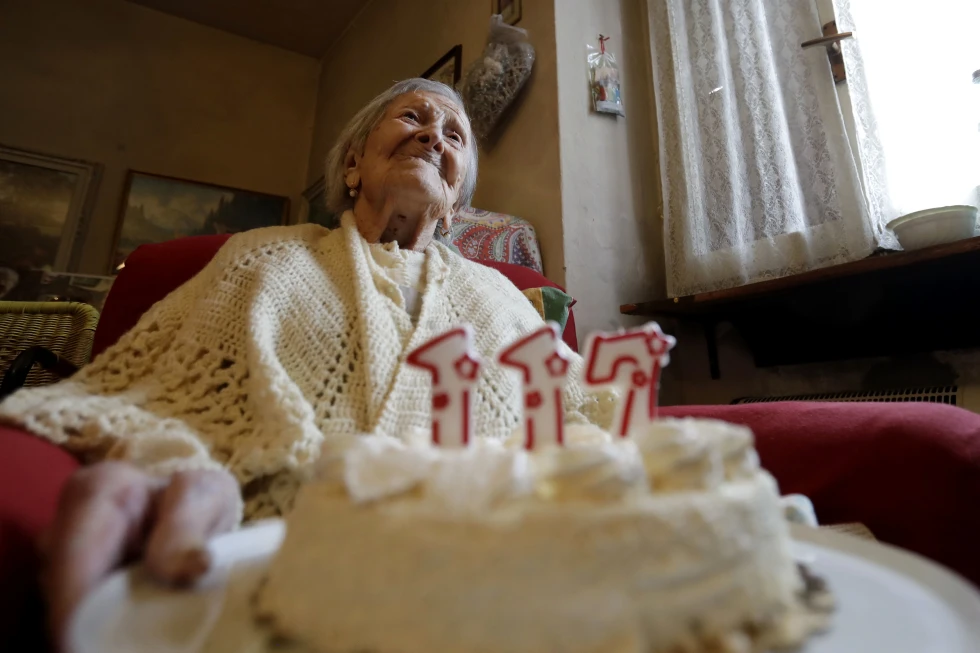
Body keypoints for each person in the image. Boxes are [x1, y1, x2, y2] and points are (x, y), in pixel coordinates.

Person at [0, 78, 613, 649]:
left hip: (489, 585)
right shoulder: (259, 258)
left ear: (455, 202)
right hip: (263, 567)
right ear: (352, 165)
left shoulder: (504, 298)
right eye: (413, 118)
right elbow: (140, 394)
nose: (433, 136)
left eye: (454, 136)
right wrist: (176, 462)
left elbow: (590, 415)